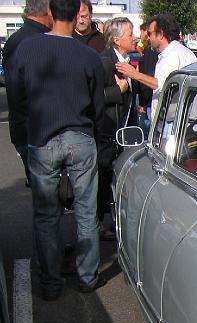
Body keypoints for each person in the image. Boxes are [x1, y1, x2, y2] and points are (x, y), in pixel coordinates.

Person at [8, 0, 105, 299]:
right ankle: (87, 277)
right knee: (86, 213)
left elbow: (15, 96)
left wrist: (27, 130)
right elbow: (97, 105)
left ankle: (51, 282)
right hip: (80, 136)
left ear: (50, 12)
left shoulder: (26, 49)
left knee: (46, 214)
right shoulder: (88, 56)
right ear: (77, 14)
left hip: (42, 137)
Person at [2, 0, 52, 185]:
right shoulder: (39, 40)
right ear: (48, 11)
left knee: (43, 194)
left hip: (24, 128)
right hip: (38, 131)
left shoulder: (15, 39)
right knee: (47, 196)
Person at [97, 17, 137, 242]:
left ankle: (116, 220)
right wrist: (118, 90)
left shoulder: (128, 61)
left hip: (125, 132)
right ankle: (101, 223)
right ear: (116, 39)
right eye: (130, 34)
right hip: (108, 133)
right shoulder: (103, 62)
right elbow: (94, 97)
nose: (134, 38)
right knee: (104, 181)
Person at [115, 14, 197, 116]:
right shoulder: (173, 53)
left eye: (150, 34)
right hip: (175, 118)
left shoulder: (174, 55)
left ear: (161, 34)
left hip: (174, 121)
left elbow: (162, 85)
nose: (148, 38)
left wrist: (135, 74)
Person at [135, 22, 157, 136]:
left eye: (142, 31)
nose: (140, 35)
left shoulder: (150, 52)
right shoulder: (150, 51)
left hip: (149, 102)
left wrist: (143, 103)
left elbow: (148, 77)